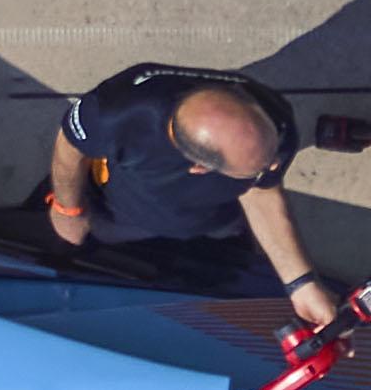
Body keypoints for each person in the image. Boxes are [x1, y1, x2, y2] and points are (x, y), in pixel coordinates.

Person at [42, 64, 343, 330]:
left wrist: (301, 284)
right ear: (199, 168)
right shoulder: (117, 113)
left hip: (220, 224)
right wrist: (68, 209)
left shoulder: (277, 123)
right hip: (122, 215)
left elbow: (262, 194)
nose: (276, 166)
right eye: (260, 167)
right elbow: (70, 148)